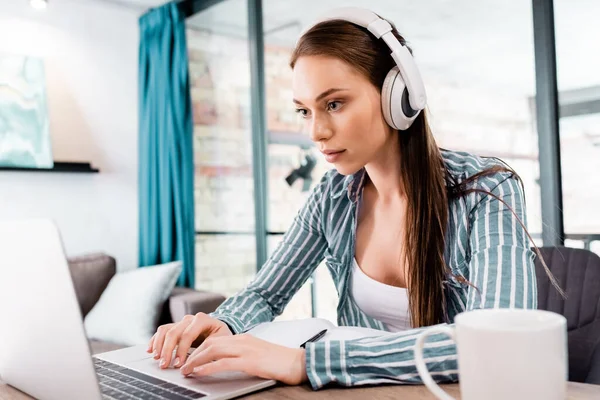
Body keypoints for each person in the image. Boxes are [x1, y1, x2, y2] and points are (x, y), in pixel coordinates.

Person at [147, 7, 556, 390]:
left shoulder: (486, 189)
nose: (316, 132)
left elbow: (494, 341)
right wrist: (225, 324)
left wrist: (305, 362)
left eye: (334, 104)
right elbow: (265, 294)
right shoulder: (333, 197)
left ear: (400, 97)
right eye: (304, 111)